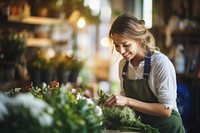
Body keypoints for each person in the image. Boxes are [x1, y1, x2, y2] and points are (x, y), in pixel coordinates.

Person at [104, 13, 185, 133]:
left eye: (126, 45)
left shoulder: (160, 63)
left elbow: (166, 110)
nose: (121, 51)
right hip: (143, 127)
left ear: (138, 39)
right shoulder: (123, 65)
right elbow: (127, 100)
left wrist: (127, 101)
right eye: (116, 45)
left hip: (167, 128)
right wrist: (113, 103)